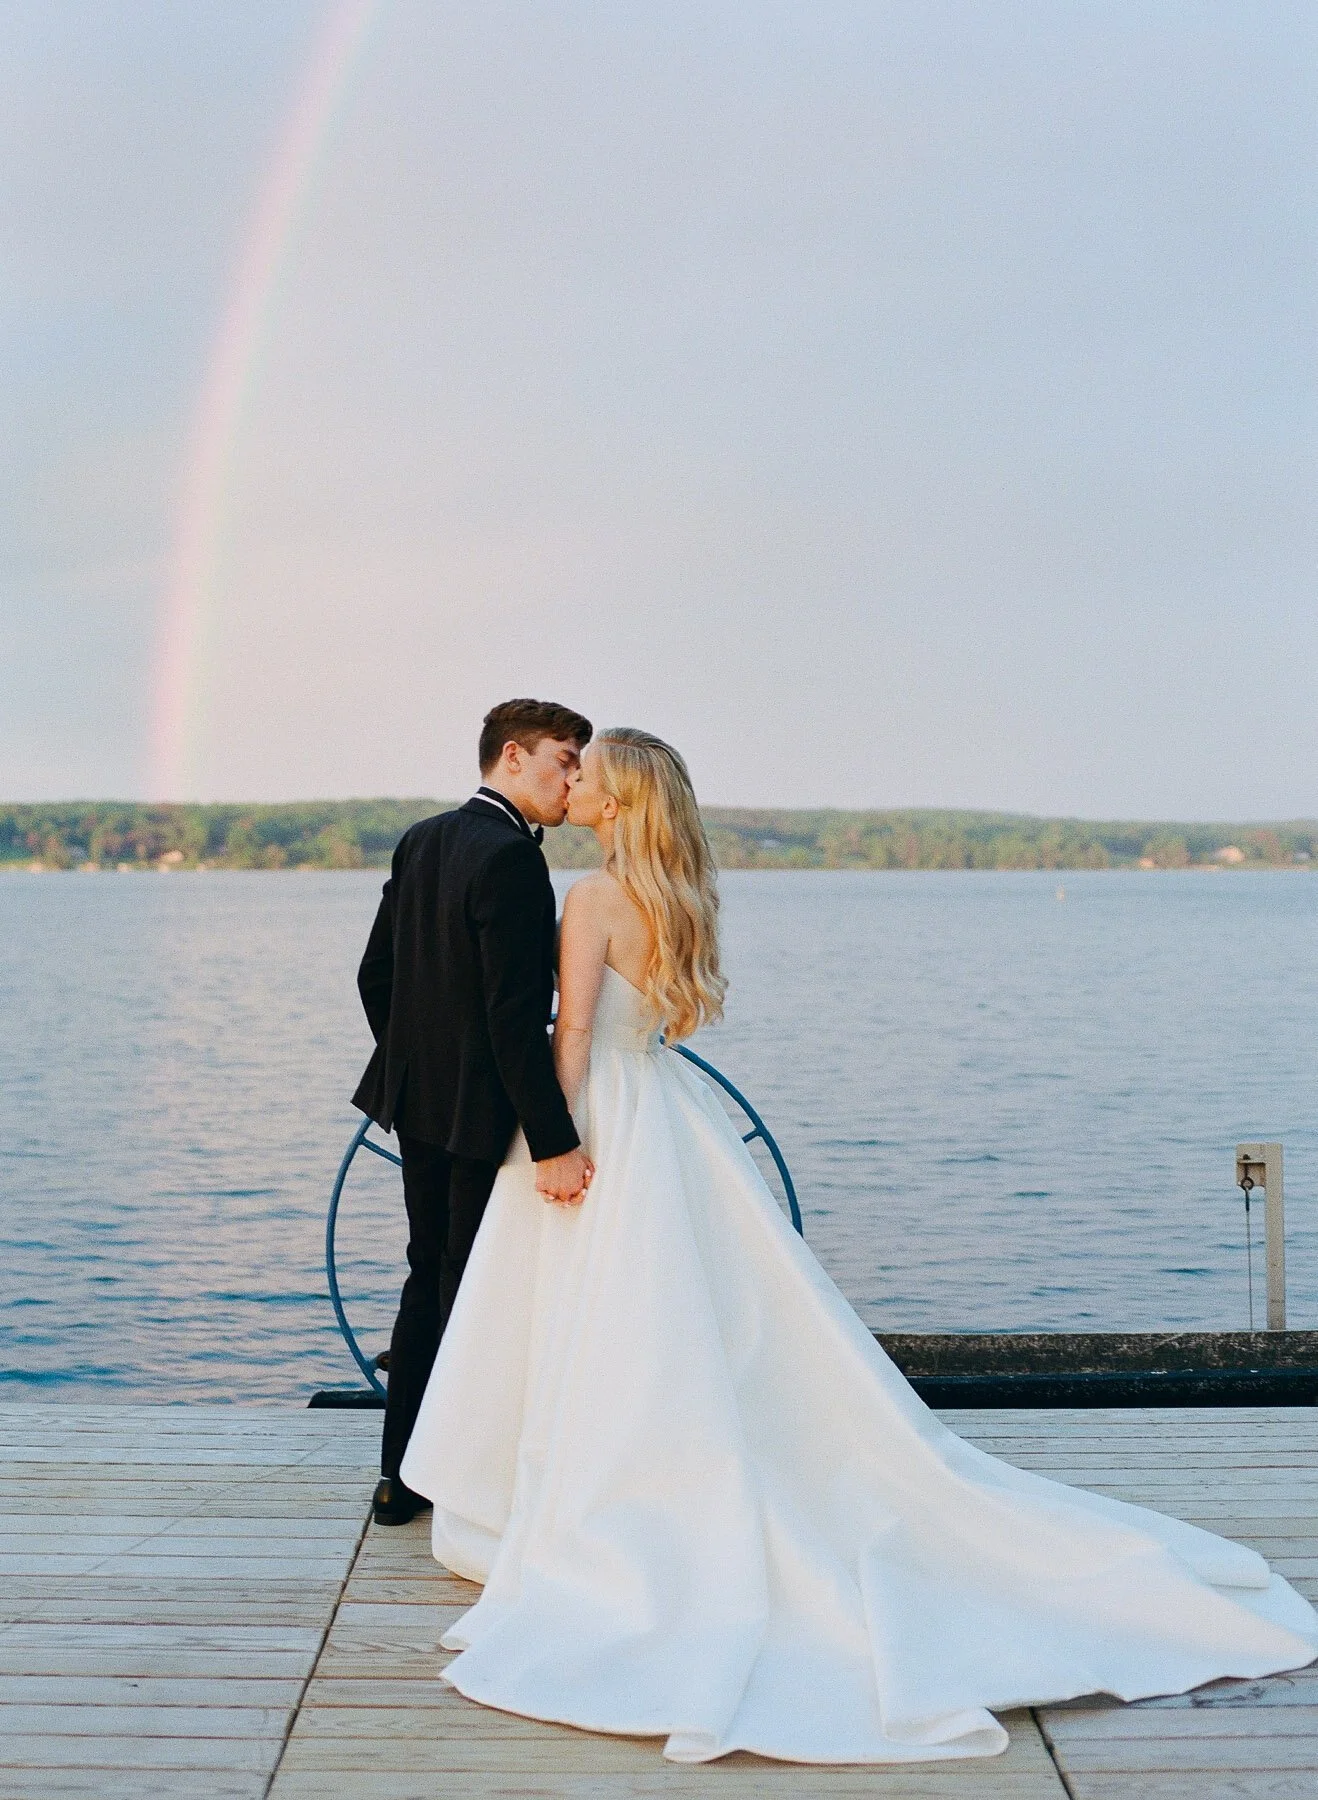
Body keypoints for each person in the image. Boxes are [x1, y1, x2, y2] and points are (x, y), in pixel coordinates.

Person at [400, 727, 1318, 1764]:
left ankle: (597, 1496)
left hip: (602, 1119)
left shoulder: (593, 900)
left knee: (601, 1315)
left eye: (588, 776)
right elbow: (657, 1029)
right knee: (682, 1317)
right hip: (669, 1111)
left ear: (613, 805)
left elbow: (568, 1039)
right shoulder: (679, 896)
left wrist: (554, 1149)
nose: (572, 786)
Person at [352, 698, 594, 1526]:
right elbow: (512, 1020)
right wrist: (557, 1142)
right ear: (515, 755)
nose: (575, 779)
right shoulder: (514, 861)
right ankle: (458, 1479)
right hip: (481, 1112)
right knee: (468, 1288)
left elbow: (375, 977)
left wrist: (416, 1061)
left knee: (428, 1277)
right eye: (566, 759)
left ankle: (399, 1477)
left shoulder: (423, 838)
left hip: (415, 1102)